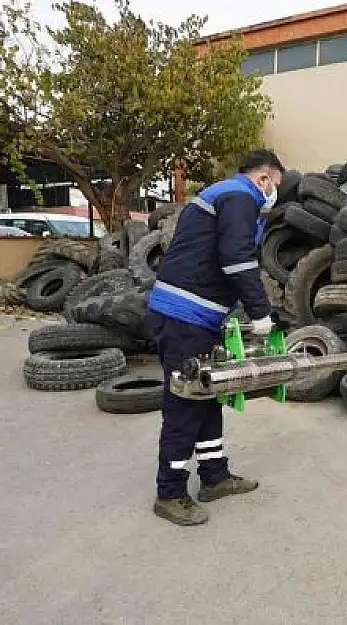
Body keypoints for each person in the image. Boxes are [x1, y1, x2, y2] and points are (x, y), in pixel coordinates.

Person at [144, 149, 284, 526]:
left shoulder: (224, 195)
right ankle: (170, 492)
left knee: (208, 394)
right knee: (186, 401)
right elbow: (237, 260)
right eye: (276, 186)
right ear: (264, 178)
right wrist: (260, 313)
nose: (273, 196)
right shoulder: (240, 197)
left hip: (196, 315)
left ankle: (214, 476)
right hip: (182, 316)